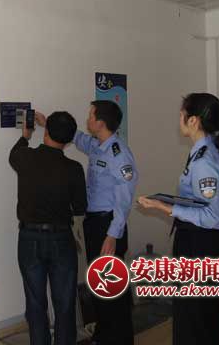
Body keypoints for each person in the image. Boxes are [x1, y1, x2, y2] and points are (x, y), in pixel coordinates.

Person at [138, 93, 219, 345]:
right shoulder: (205, 152)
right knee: (204, 322)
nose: (179, 119)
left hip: (201, 248)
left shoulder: (204, 161)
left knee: (195, 323)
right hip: (204, 245)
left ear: (194, 121)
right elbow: (201, 202)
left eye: (181, 115)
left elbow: (211, 215)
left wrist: (166, 207)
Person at [37, 100, 138, 345]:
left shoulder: (119, 154)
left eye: (91, 116)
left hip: (108, 226)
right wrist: (48, 123)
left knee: (111, 287)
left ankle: (117, 339)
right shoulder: (98, 145)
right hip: (95, 224)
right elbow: (79, 138)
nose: (87, 119)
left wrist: (112, 235)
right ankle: (106, 334)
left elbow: (124, 200)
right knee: (101, 285)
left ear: (100, 122)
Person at [9, 111, 87, 345]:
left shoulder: (26, 157)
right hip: (62, 238)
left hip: (29, 238)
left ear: (46, 133)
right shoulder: (74, 168)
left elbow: (13, 154)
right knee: (65, 303)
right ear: (69, 140)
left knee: (35, 303)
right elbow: (80, 207)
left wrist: (25, 135)